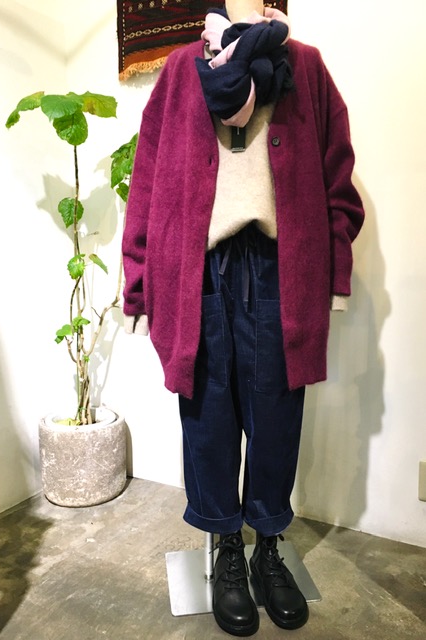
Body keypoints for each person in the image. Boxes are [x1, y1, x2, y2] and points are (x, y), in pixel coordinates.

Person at [122, 0, 364, 635]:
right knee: (207, 412)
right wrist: (138, 283)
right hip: (198, 269)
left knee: (277, 413)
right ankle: (226, 548)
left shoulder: (304, 66)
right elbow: (147, 179)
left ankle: (267, 547)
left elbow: (337, 177)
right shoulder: (182, 70)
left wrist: (335, 275)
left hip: (281, 266)